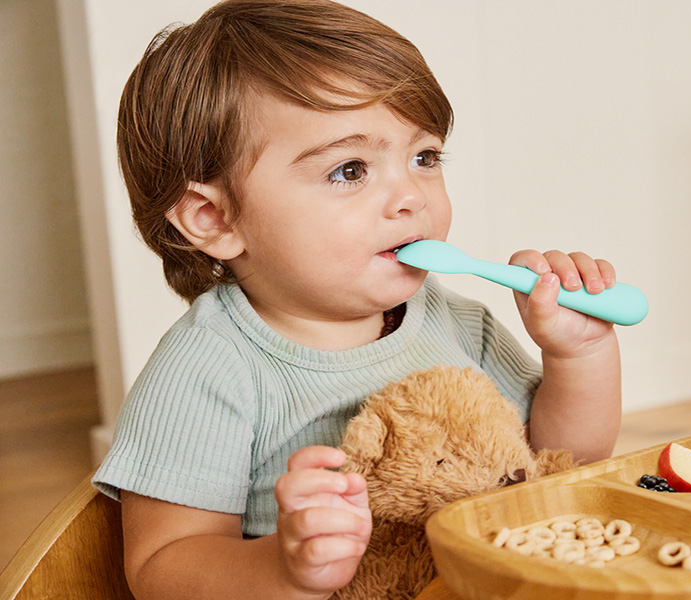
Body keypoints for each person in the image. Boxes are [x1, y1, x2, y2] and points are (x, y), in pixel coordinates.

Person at [93, 1, 622, 598]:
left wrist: (577, 358)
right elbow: (160, 567)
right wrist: (283, 569)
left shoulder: (451, 318)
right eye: (350, 170)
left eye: (424, 158)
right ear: (215, 218)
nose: (410, 197)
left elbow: (563, 459)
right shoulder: (208, 369)